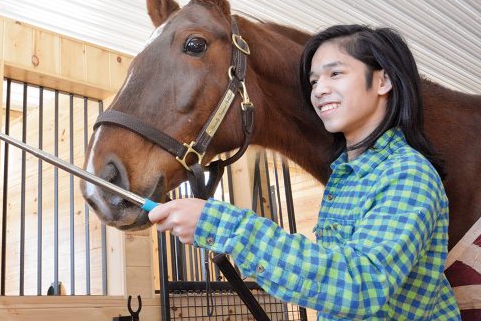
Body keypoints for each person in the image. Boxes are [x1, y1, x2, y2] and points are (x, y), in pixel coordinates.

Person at [148, 25, 461, 320]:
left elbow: (360, 285)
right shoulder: (345, 178)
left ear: (383, 81)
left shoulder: (408, 172)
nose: (319, 90)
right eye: (313, 82)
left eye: (335, 73)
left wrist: (223, 226)